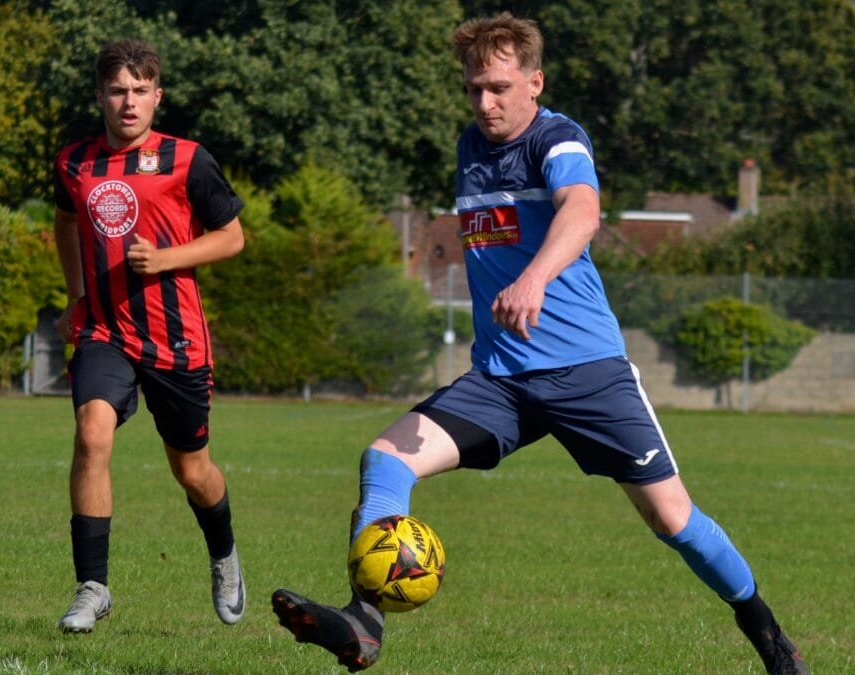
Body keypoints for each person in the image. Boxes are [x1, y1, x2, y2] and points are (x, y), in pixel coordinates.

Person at [271, 13, 808, 675]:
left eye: (498, 87)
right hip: (500, 381)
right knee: (384, 460)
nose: (485, 102)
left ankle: (769, 634)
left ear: (535, 81)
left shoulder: (558, 139)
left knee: (673, 519)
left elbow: (582, 208)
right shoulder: (472, 145)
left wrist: (533, 277)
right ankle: (363, 623)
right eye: (473, 89)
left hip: (587, 373)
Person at [53, 39, 246, 633]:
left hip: (176, 339)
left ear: (157, 96)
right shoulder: (75, 163)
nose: (128, 102)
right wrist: (77, 295)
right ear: (100, 96)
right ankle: (92, 587)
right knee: (92, 432)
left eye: (140, 90)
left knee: (192, 471)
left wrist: (166, 260)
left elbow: (233, 237)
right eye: (117, 90)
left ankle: (224, 556)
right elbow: (64, 223)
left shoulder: (187, 160)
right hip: (104, 331)